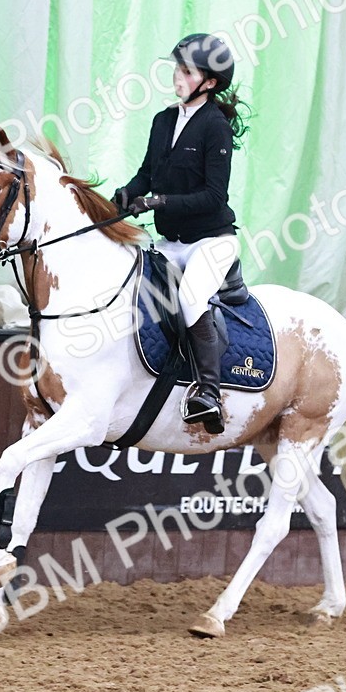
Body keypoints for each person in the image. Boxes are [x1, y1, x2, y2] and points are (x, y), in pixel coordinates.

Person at [113, 33, 249, 433]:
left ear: (209, 82)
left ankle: (209, 393)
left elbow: (213, 196)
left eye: (187, 72)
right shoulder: (163, 120)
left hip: (212, 241)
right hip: (170, 243)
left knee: (191, 299)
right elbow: (146, 174)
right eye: (178, 69)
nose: (177, 77)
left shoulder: (215, 127)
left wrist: (160, 202)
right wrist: (127, 194)